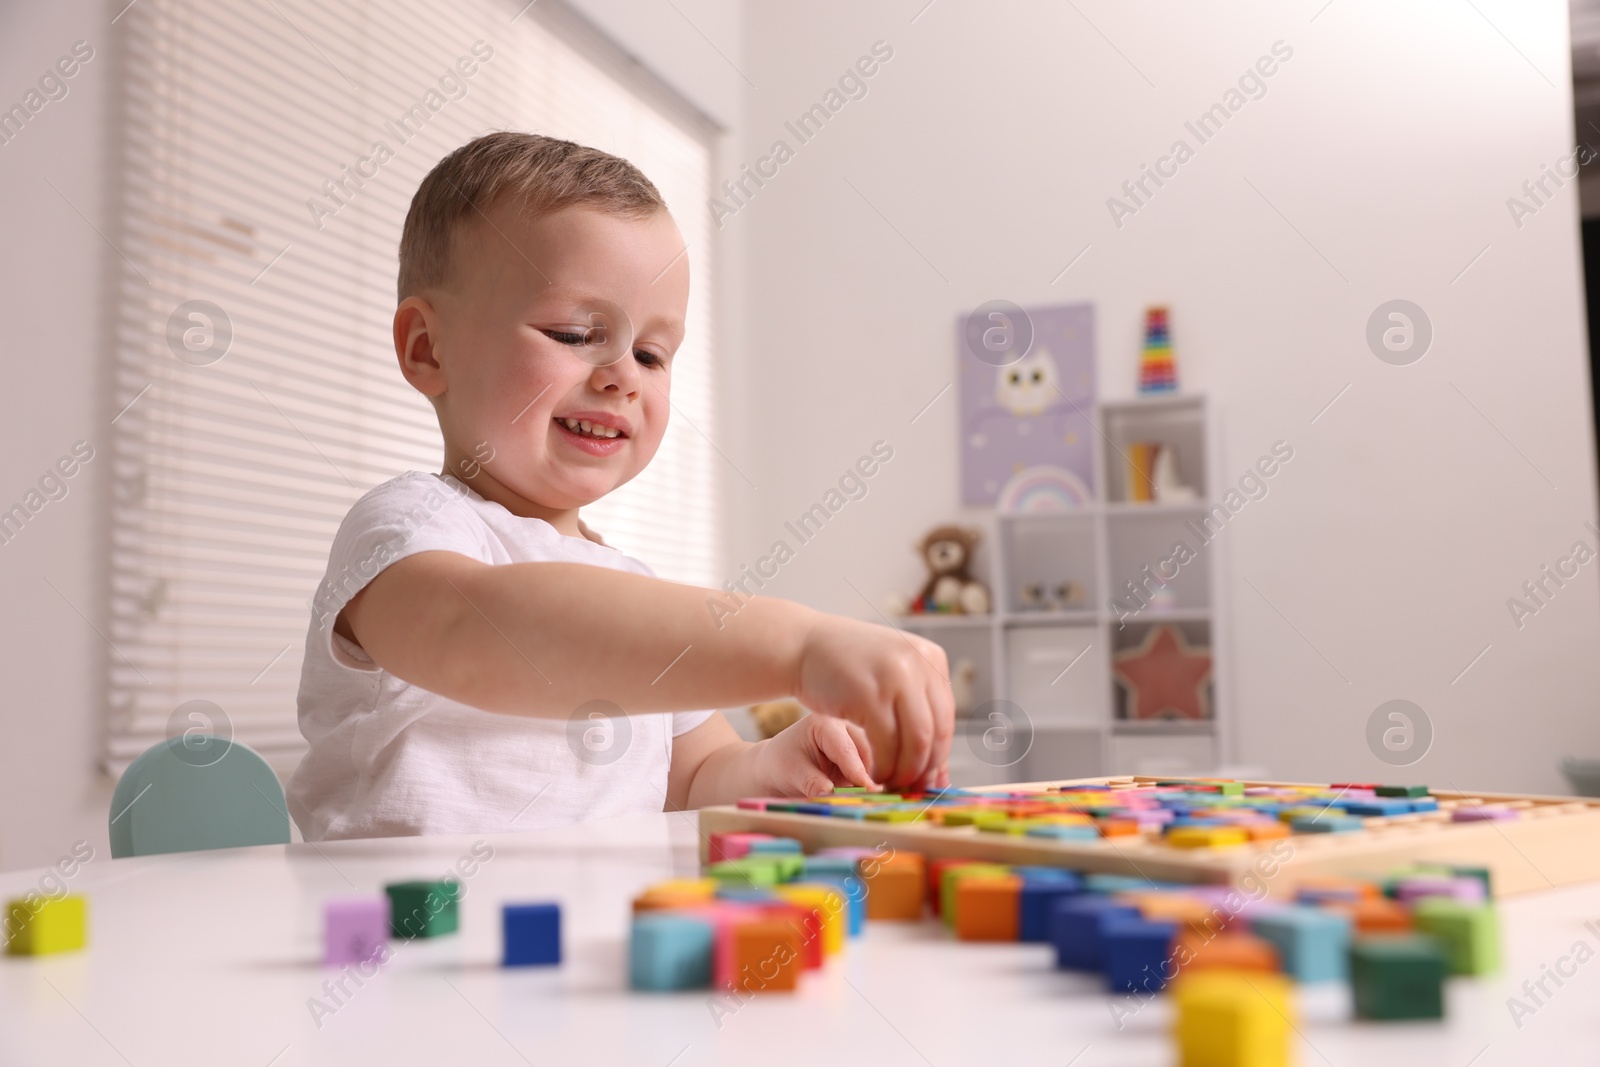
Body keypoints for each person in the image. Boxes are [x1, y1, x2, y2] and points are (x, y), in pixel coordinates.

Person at [287, 132, 952, 841]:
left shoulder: (628, 585)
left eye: (651, 352)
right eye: (576, 333)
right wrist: (799, 645)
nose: (622, 375)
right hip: (406, 935)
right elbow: (476, 636)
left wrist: (776, 765)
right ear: (427, 347)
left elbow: (694, 778)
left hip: (594, 935)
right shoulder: (407, 528)